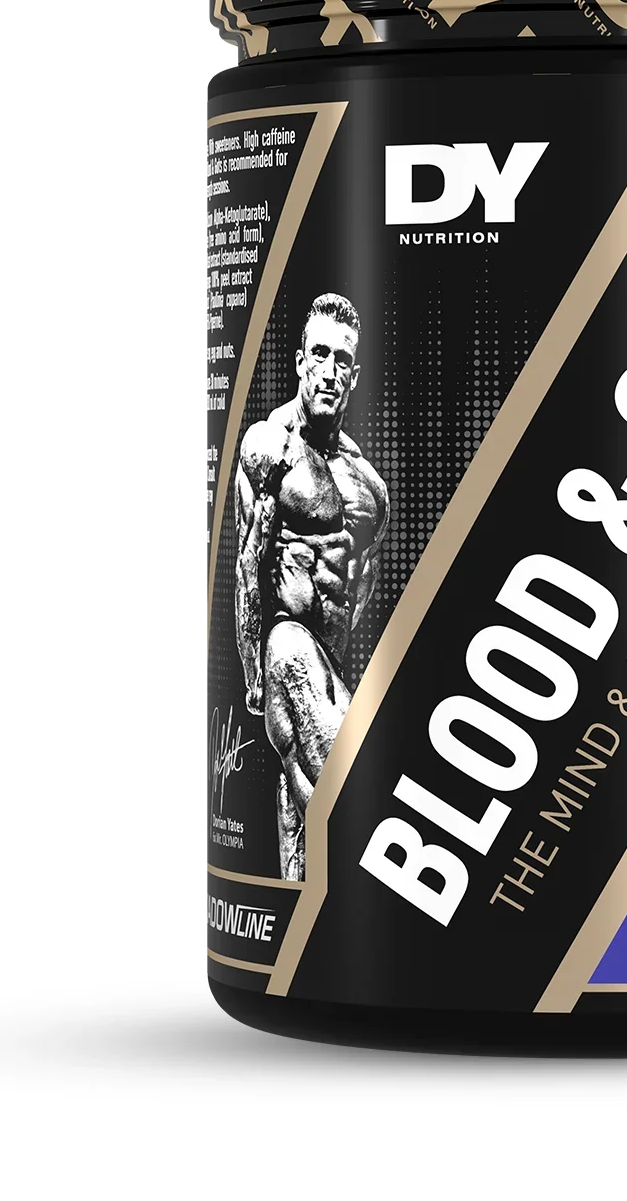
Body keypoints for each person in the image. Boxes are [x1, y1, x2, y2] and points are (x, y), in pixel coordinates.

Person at [234, 293, 388, 879]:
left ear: (354, 374)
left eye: (341, 359)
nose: (328, 370)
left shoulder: (370, 489)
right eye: (318, 354)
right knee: (348, 788)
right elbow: (249, 562)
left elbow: (361, 589)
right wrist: (254, 675)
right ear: (299, 362)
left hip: (331, 664)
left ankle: (306, 921)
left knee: (303, 808)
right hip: (284, 645)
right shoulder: (269, 449)